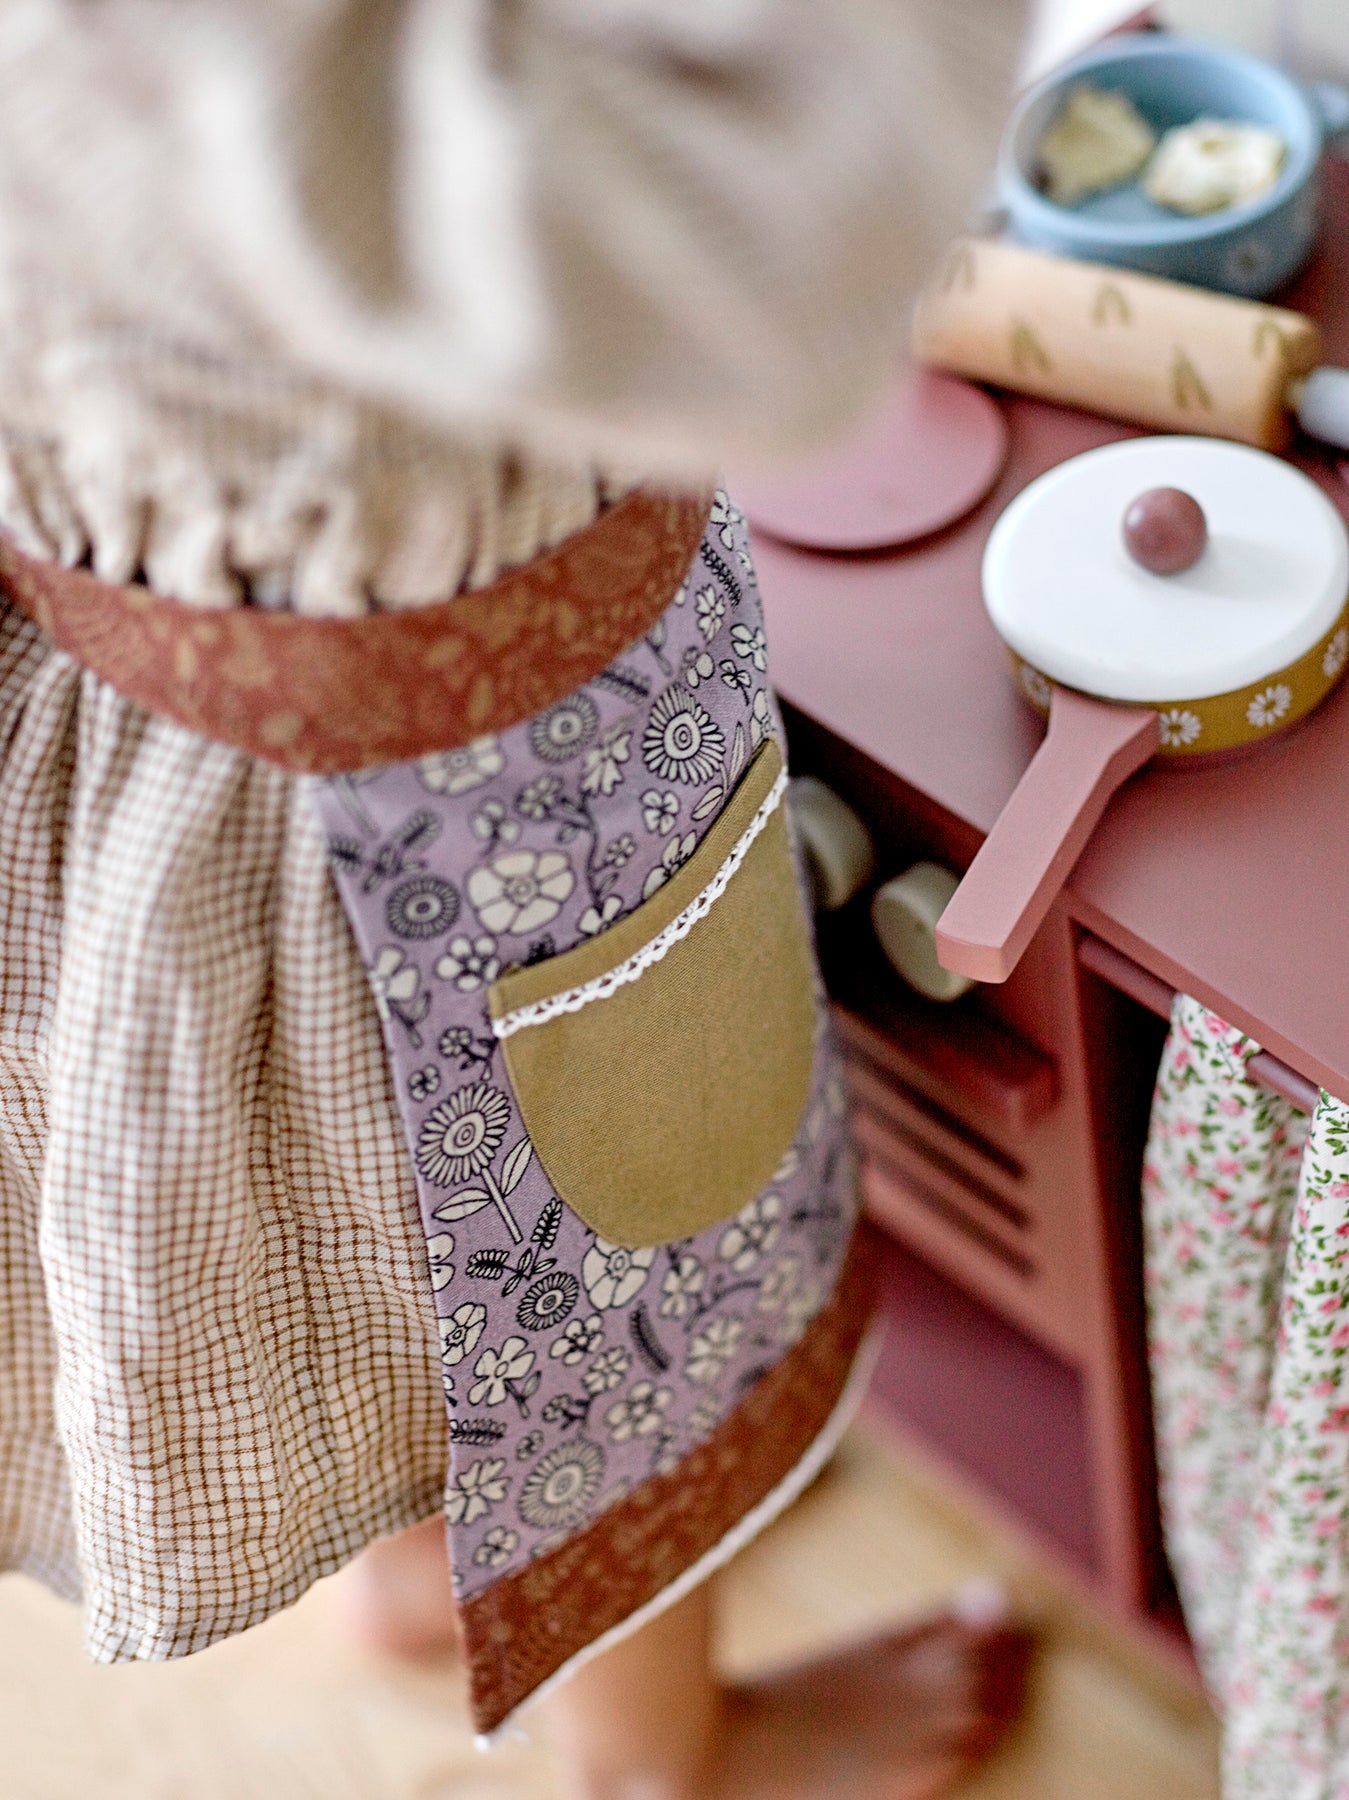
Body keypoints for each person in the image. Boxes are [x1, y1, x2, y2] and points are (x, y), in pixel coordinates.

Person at [0, 3, 1029, 1794]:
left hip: (128, 708)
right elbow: (772, 296)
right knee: (602, 1322)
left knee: (379, 1240)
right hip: (470, 802)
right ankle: (656, 1759)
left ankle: (431, 1563)